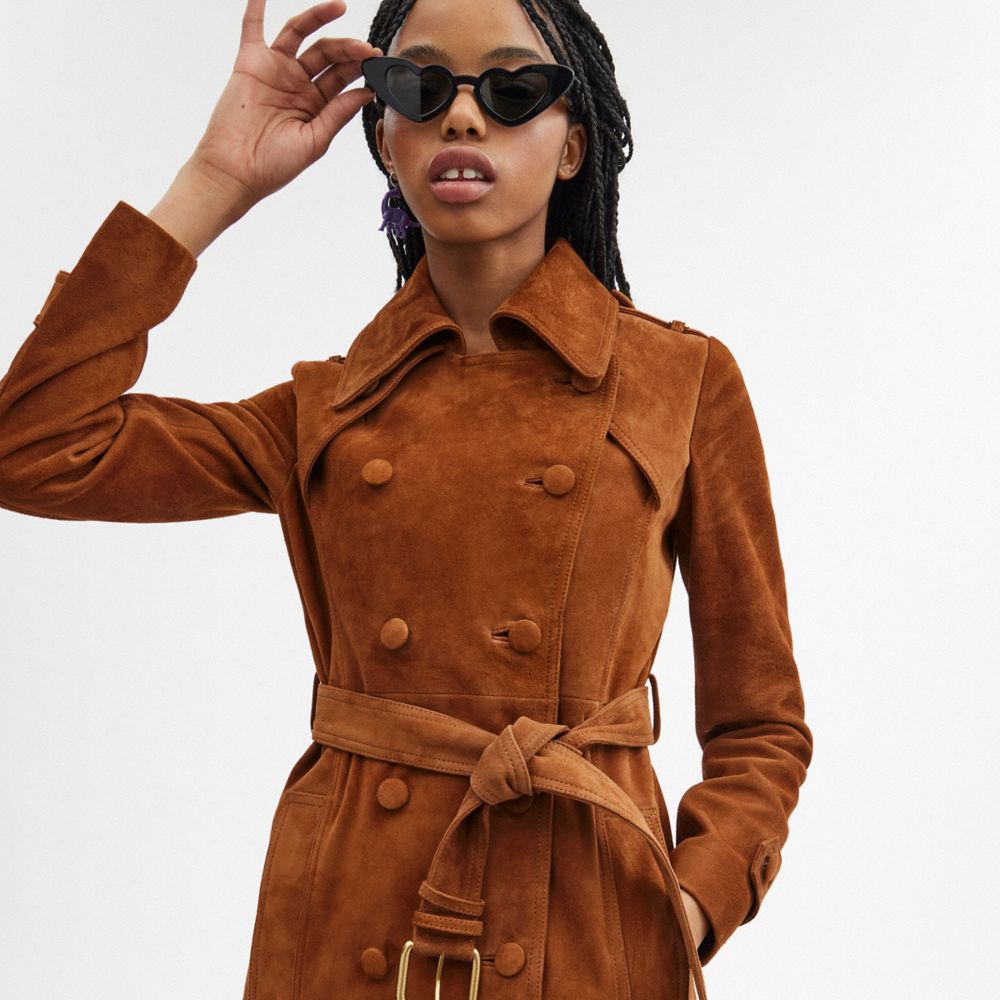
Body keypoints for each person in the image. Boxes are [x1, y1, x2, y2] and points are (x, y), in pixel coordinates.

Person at [0, 1, 813, 998]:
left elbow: (760, 721)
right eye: (420, 88)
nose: (462, 117)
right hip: (350, 920)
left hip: (588, 914)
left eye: (512, 89)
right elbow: (32, 446)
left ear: (573, 148)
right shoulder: (323, 412)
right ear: (385, 138)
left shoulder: (677, 383)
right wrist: (215, 181)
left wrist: (690, 905)